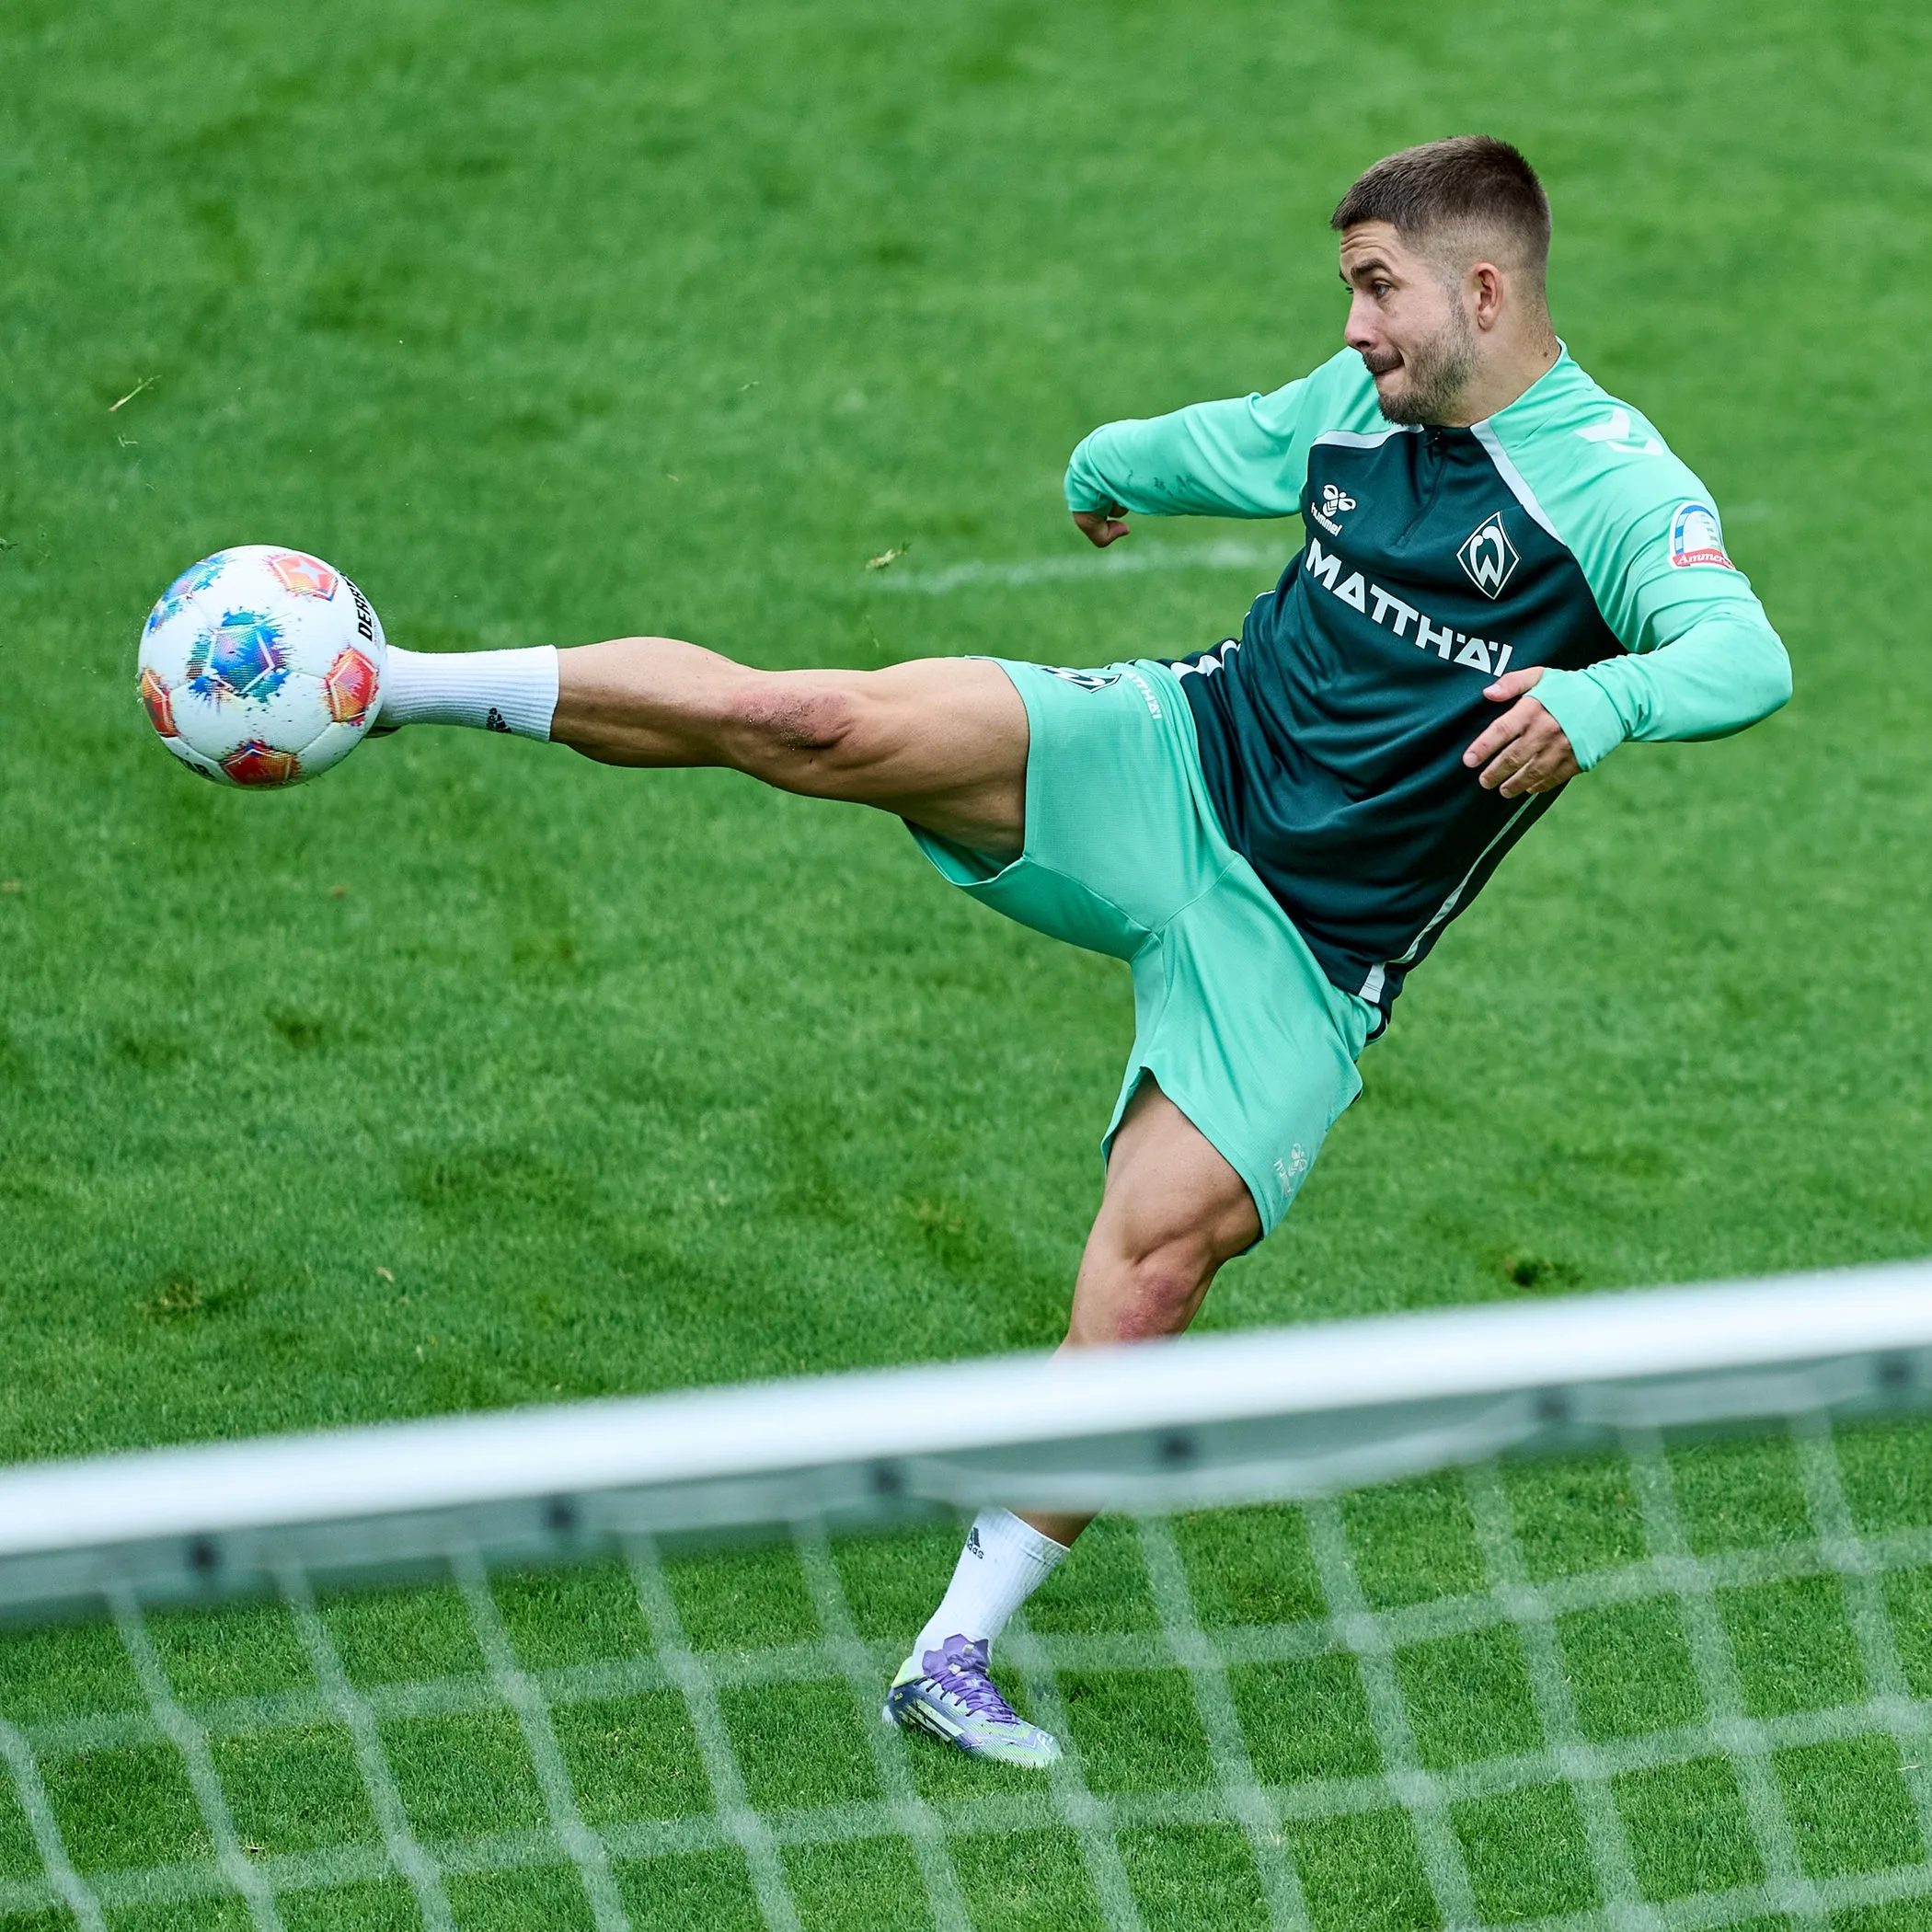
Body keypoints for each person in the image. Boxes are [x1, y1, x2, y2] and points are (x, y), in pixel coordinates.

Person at [371, 135, 1791, 1766]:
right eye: (1347, 287)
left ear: (1485, 288)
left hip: (1309, 950)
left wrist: (1598, 699)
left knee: (1157, 1264)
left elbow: (1743, 653)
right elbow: (1234, 441)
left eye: (1377, 288)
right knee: (807, 717)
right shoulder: (1362, 405)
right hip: (1173, 762)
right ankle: (388, 679)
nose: (1352, 327)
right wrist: (1106, 463)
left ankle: (951, 1655)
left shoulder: (1610, 484)